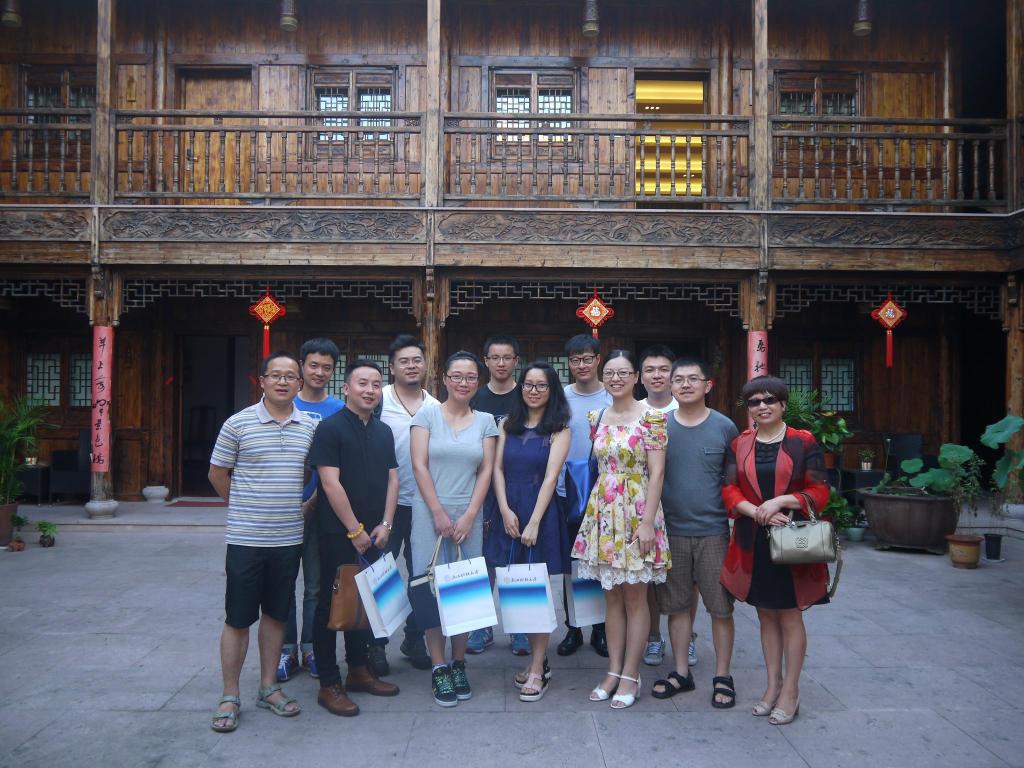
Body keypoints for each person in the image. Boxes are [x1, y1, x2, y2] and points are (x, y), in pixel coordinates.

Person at [208, 352, 316, 732]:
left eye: (290, 376)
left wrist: (302, 506)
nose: (283, 382)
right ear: (262, 380)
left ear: (300, 384)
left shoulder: (309, 427)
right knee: (238, 618)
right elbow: (217, 473)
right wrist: (242, 505)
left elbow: (311, 474)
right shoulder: (238, 424)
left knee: (276, 615)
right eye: (276, 375)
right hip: (246, 538)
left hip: (288, 538)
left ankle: (268, 687)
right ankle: (230, 694)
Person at [720, 375, 831, 726]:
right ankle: (772, 686)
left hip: (792, 540)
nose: (762, 406)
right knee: (765, 613)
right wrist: (757, 511)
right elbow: (729, 488)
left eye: (769, 400)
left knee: (790, 614)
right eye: (754, 402)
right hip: (754, 539)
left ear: (783, 404)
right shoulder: (740, 443)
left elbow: (821, 490)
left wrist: (783, 501)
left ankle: (791, 690)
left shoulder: (803, 442)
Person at [571, 350, 670, 710]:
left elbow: (657, 473)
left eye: (623, 373)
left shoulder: (652, 417)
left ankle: (631, 673)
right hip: (603, 511)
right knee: (611, 596)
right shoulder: (596, 417)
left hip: (638, 509)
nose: (616, 379)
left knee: (635, 598)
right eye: (610, 373)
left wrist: (647, 523)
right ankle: (613, 670)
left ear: (635, 378)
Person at [310, 360, 401, 717]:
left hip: (375, 533)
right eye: (362, 383)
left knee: (366, 601)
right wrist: (354, 529)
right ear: (346, 388)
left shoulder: (383, 431)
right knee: (330, 604)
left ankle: (359, 670)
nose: (370, 390)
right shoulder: (330, 428)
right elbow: (329, 482)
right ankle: (328, 682)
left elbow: (393, 479)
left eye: (376, 384)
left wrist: (386, 524)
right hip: (338, 533)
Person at [410, 351, 498, 707]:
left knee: (465, 590)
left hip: (468, 514)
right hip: (429, 512)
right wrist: (438, 512)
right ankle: (438, 666)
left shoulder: (486, 421)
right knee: (431, 588)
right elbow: (419, 465)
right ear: (444, 379)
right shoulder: (426, 415)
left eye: (471, 377)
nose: (464, 383)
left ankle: (459, 663)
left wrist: (469, 515)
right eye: (457, 376)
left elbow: (486, 470)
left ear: (478, 382)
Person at [651, 358, 739, 707]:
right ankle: (680, 672)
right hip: (671, 531)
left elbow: (733, 480)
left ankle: (723, 675)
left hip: (713, 531)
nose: (685, 385)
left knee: (721, 608)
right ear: (670, 386)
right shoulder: (659, 426)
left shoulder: (724, 427)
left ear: (708, 385)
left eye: (693, 379)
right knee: (677, 607)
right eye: (679, 379)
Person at [488, 362, 571, 701]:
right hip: (508, 509)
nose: (533, 391)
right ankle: (539, 661)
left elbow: (551, 478)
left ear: (552, 391)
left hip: (541, 511)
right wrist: (505, 509)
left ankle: (537, 668)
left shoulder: (560, 429)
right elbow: (497, 469)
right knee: (516, 588)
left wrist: (534, 521)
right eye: (528, 384)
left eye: (541, 385)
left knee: (537, 590)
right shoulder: (507, 423)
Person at [278, 338, 345, 683]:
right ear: (302, 366)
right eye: (313, 365)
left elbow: (340, 465)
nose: (320, 372)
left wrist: (314, 501)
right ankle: (285, 648)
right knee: (284, 582)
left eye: (327, 367)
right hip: (282, 511)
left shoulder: (339, 409)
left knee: (317, 585)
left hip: (322, 512)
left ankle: (310, 647)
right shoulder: (283, 404)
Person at [373, 335, 438, 673]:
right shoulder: (378, 399)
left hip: (422, 505)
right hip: (384, 504)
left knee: (422, 576)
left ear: (425, 365)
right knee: (380, 575)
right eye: (404, 361)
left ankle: (415, 637)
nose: (412, 366)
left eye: (417, 360)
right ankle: (376, 645)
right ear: (392, 367)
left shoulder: (435, 406)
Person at [468, 334, 527, 656]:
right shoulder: (475, 397)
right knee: (482, 558)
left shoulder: (526, 395)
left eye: (507, 357)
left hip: (518, 484)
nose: (501, 363)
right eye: (495, 357)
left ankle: (519, 627)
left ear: (516, 360)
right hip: (481, 486)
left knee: (517, 557)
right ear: (486, 361)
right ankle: (481, 626)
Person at [556, 334, 611, 658]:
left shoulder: (611, 396)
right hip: (568, 492)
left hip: (607, 493)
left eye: (587, 358)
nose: (582, 365)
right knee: (571, 564)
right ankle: (574, 628)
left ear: (598, 360)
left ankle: (601, 629)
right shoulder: (561, 398)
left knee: (601, 562)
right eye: (575, 360)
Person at [636, 345, 680, 669]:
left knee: (684, 578)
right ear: (640, 376)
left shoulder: (686, 408)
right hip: (643, 508)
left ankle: (686, 637)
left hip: (680, 504)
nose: (656, 376)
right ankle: (653, 635)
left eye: (663, 370)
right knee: (648, 577)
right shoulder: (634, 411)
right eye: (650, 370)